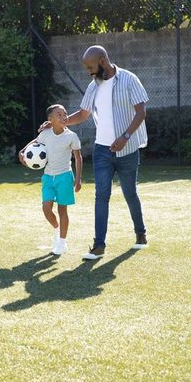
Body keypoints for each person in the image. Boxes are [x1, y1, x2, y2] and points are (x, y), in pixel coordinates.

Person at [40, 45, 149, 260]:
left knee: (130, 193)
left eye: (91, 67)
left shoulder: (129, 79)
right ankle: (99, 245)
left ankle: (140, 234)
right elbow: (83, 113)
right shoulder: (93, 86)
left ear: (102, 61)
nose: (89, 71)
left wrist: (125, 136)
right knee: (101, 196)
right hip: (102, 151)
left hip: (128, 149)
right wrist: (57, 124)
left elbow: (141, 111)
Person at [19, 104, 82, 256]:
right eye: (59, 115)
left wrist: (78, 179)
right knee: (46, 209)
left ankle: (61, 243)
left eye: (65, 114)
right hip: (48, 177)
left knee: (62, 210)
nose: (63, 116)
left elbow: (78, 158)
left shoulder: (71, 136)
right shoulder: (46, 133)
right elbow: (34, 142)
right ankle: (57, 229)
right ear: (50, 119)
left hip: (65, 177)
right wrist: (22, 151)